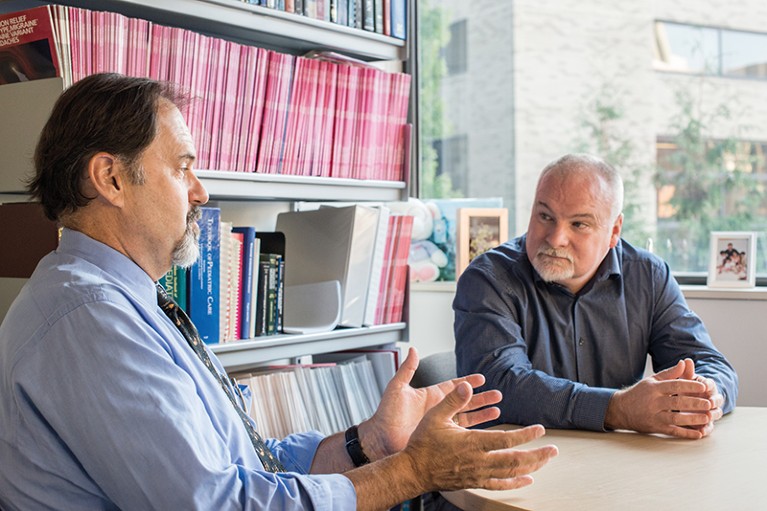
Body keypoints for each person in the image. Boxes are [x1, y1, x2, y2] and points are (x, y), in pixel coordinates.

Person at [0, 73, 558, 510]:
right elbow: (217, 505)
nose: (200, 192)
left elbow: (248, 466)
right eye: (182, 167)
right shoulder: (91, 322)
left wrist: (370, 442)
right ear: (111, 179)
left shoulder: (121, 303)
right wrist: (413, 472)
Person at [454, 153, 738, 440]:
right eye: (545, 216)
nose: (555, 238)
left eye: (578, 224)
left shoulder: (647, 276)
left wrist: (706, 396)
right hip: (515, 463)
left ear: (614, 230)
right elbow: (500, 387)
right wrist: (618, 409)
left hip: (615, 466)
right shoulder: (488, 279)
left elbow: (706, 362)